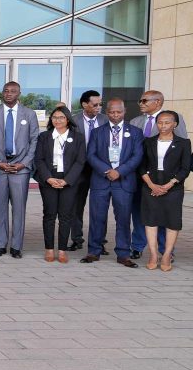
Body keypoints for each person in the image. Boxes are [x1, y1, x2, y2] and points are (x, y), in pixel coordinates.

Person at [81, 98, 143, 268]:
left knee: (123, 218)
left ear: (124, 111)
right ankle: (94, 251)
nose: (115, 115)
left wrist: (119, 171)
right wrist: (107, 170)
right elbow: (91, 155)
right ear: (106, 112)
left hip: (124, 181)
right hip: (101, 180)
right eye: (112, 112)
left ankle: (123, 254)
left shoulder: (135, 132)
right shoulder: (97, 132)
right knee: (97, 217)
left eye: (119, 112)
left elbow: (137, 156)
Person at [130, 90, 188, 259]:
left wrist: (170, 182)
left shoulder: (174, 118)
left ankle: (164, 250)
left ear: (158, 102)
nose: (140, 103)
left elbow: (180, 146)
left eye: (144, 100)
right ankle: (138, 246)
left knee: (165, 214)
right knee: (140, 212)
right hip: (141, 176)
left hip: (167, 179)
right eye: (140, 100)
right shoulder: (135, 121)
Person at [0, 81, 39, 258]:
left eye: (13, 91)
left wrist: (25, 163)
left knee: (19, 209)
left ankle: (16, 247)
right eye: (6, 91)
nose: (8, 94)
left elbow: (34, 141)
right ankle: (0, 244)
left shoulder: (29, 114)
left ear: (19, 94)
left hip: (20, 168)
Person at [139, 111, 191, 272]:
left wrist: (169, 185)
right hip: (150, 186)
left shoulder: (183, 143)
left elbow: (185, 168)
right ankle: (153, 254)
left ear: (175, 124)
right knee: (150, 220)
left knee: (172, 221)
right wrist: (151, 185)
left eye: (167, 122)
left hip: (173, 188)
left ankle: (167, 254)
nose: (163, 125)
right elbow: (141, 165)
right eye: (160, 122)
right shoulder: (148, 142)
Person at [34, 106, 86, 264]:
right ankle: (49, 248)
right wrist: (48, 178)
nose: (57, 120)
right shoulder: (44, 136)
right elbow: (39, 159)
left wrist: (67, 180)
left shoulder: (78, 137)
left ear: (68, 119)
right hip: (49, 178)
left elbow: (80, 161)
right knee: (49, 215)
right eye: (55, 117)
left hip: (69, 180)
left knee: (65, 216)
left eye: (61, 117)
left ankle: (62, 250)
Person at [69, 90, 107, 252]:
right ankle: (77, 239)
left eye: (100, 104)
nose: (99, 107)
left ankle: (99, 242)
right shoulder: (73, 120)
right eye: (95, 104)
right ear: (84, 105)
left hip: (100, 169)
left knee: (100, 207)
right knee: (76, 206)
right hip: (79, 169)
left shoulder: (105, 120)